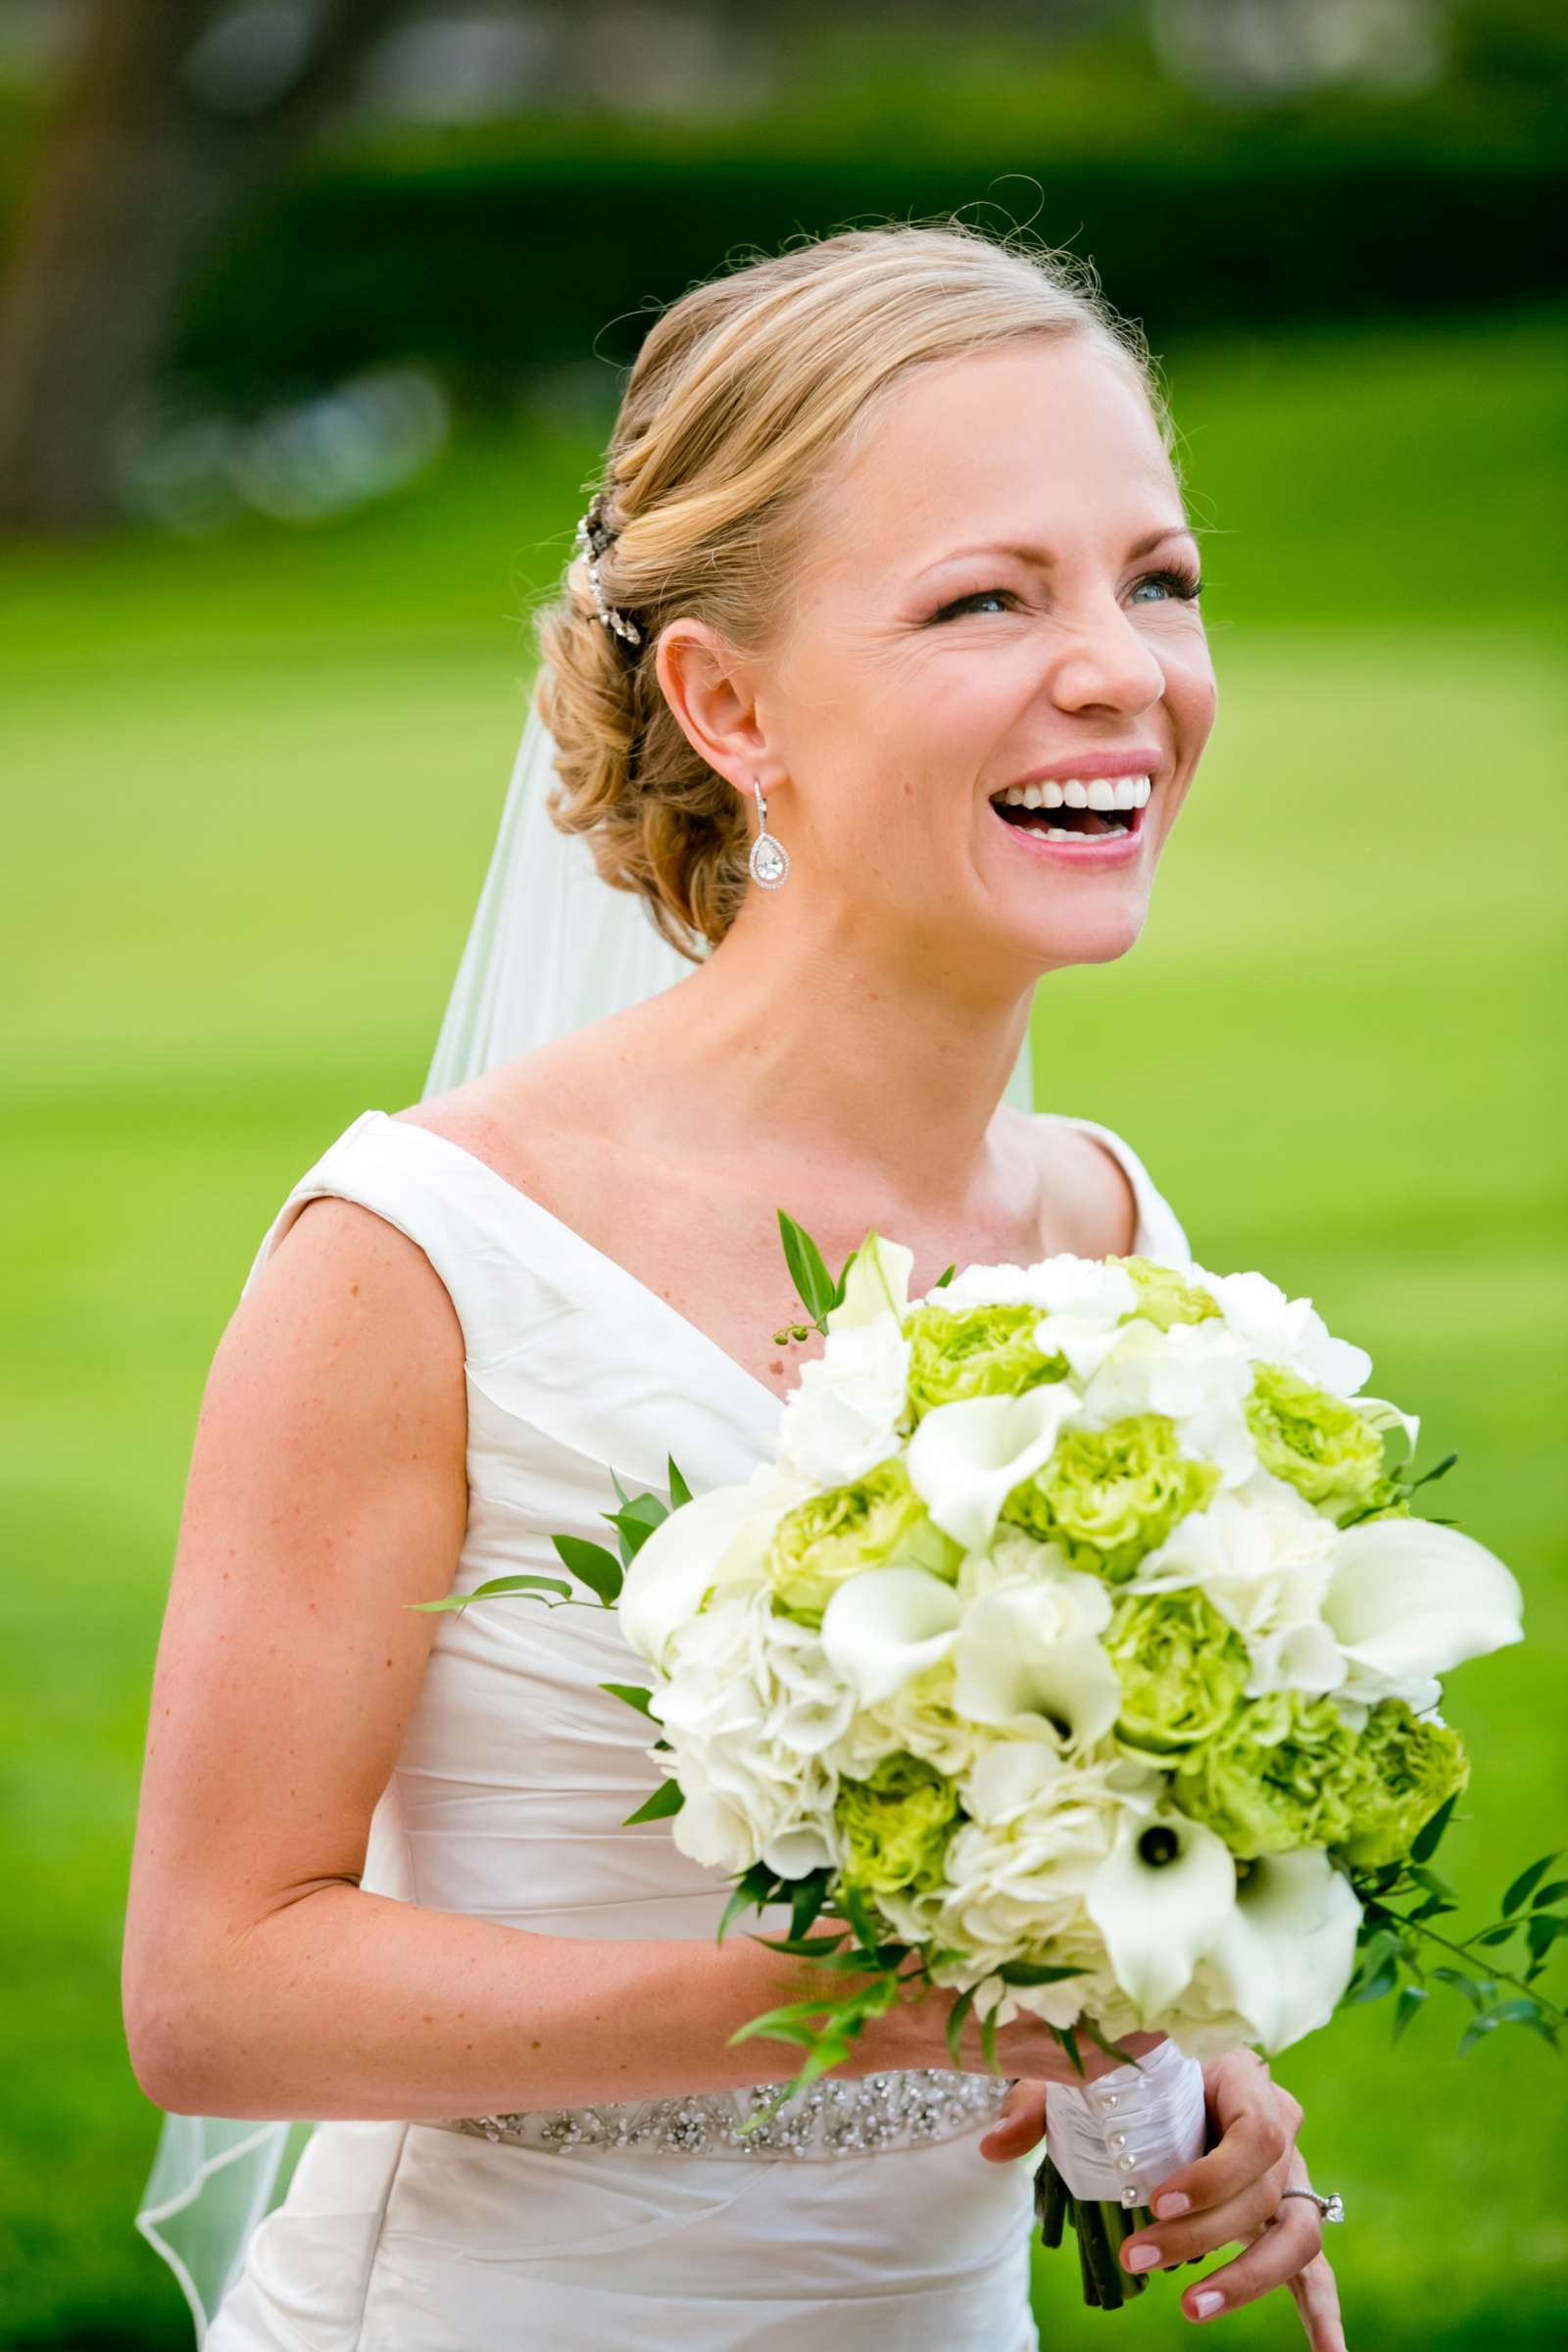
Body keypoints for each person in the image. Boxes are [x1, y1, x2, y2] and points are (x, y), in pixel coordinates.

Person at [123, 219, 1346, 2349]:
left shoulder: (1111, 1238)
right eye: (986, 597)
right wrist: (864, 2017)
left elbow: (1057, 1904)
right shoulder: (418, 1257)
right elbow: (217, 1992)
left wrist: (1169, 2069)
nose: (1121, 672)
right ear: (723, 701)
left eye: (1154, 577)